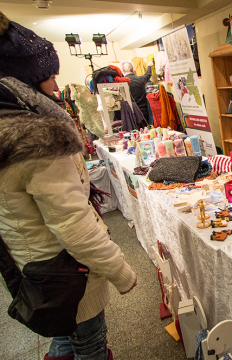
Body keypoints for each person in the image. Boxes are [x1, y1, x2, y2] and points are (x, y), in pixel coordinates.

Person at [0, 12, 136, 360]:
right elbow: (71, 223)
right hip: (65, 270)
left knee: (62, 333)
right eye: (49, 77)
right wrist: (120, 270)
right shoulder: (36, 140)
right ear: (26, 81)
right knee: (88, 341)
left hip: (36, 265)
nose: (56, 88)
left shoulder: (12, 129)